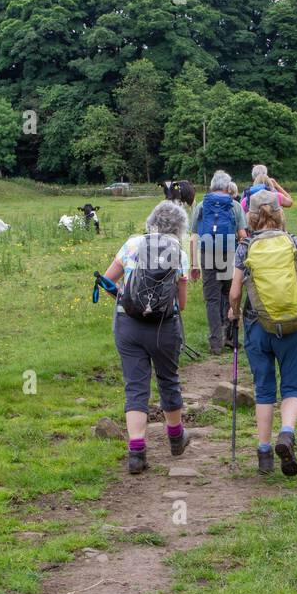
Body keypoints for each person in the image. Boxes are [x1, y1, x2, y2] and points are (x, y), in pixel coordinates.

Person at [227, 190, 297, 476]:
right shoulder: (295, 242)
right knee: (292, 386)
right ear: (280, 214)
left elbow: (234, 292)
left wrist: (235, 312)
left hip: (259, 326)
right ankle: (287, 433)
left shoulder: (245, 247)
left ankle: (264, 453)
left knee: (264, 388)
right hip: (294, 323)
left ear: (251, 217)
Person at [102, 200, 193, 475]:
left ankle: (137, 452)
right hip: (164, 327)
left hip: (128, 325)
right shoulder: (179, 252)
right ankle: (176, 438)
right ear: (179, 227)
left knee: (135, 387)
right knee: (168, 380)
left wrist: (126, 300)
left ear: (151, 221)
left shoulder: (132, 244)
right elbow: (182, 303)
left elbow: (107, 279)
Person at [189, 171, 249, 355]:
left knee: (212, 299)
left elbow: (193, 238)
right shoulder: (235, 206)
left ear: (212, 185)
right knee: (230, 294)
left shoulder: (201, 206)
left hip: (207, 254)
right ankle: (230, 337)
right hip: (229, 253)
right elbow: (243, 236)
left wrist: (194, 265)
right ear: (227, 186)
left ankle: (216, 343)